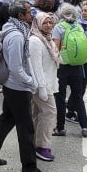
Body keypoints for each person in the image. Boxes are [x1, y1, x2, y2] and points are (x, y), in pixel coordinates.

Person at [0, 0, 47, 172]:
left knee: (6, 121)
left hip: (13, 87)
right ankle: (29, 166)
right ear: (20, 16)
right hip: (17, 88)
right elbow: (16, 68)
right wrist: (31, 83)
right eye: (28, 12)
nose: (31, 14)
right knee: (26, 129)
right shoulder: (17, 35)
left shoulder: (14, 29)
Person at [52, 3, 87, 137]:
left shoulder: (59, 27)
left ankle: (60, 127)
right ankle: (85, 127)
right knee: (78, 96)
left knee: (60, 97)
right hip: (77, 66)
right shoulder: (79, 26)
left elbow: (55, 49)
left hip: (63, 67)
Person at [28, 11, 60, 162]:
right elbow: (36, 67)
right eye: (45, 23)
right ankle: (42, 146)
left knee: (38, 113)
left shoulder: (47, 39)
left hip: (48, 83)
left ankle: (34, 142)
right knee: (49, 113)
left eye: (50, 22)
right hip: (42, 85)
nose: (48, 25)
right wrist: (41, 87)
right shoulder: (35, 40)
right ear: (38, 23)